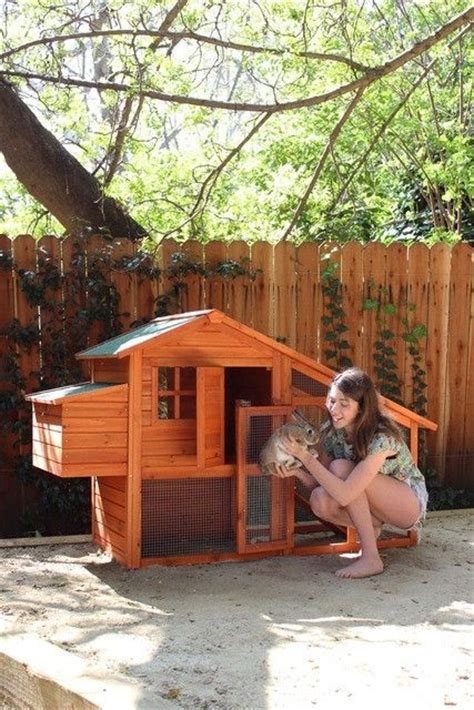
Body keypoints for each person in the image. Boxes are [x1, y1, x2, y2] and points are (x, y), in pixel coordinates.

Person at [275, 367, 429, 579]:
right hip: (373, 504)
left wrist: (305, 457)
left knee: (341, 468)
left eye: (344, 404)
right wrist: (297, 473)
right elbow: (325, 485)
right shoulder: (332, 432)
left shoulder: (381, 437)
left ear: (362, 408)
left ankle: (371, 558)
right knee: (320, 499)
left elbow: (346, 493)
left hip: (407, 503)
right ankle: (371, 528)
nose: (334, 409)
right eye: (331, 401)